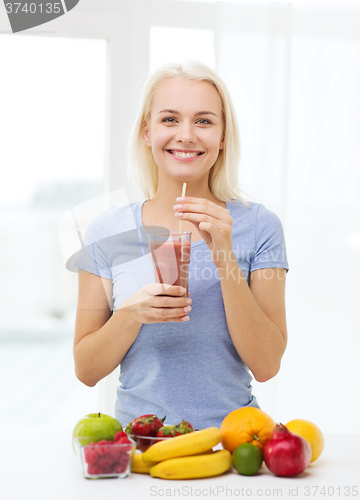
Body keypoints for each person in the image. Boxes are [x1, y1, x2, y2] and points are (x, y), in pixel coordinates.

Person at [73, 60, 289, 430]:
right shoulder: (108, 231)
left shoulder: (258, 225)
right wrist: (130, 315)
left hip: (234, 444)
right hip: (141, 444)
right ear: (146, 132)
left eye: (203, 121)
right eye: (169, 119)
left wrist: (223, 253)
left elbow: (267, 365)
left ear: (222, 138)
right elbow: (87, 370)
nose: (186, 135)